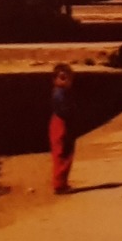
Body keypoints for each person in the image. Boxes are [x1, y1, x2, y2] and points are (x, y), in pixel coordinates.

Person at [50, 62, 77, 194]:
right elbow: (63, 111)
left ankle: (62, 183)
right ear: (55, 79)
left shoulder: (64, 93)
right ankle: (59, 185)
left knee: (66, 153)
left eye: (68, 78)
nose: (66, 81)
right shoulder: (59, 94)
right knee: (62, 153)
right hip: (61, 123)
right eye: (62, 77)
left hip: (64, 123)